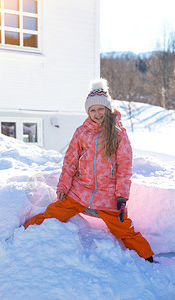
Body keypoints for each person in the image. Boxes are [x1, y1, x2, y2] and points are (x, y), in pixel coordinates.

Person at [24, 78, 155, 263]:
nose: (97, 113)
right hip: (79, 191)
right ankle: (23, 236)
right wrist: (63, 187)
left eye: (100, 109)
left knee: (124, 230)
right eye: (92, 110)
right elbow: (70, 161)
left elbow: (125, 167)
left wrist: (121, 197)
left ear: (107, 109)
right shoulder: (81, 132)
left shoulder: (118, 133)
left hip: (108, 197)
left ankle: (148, 257)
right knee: (52, 215)